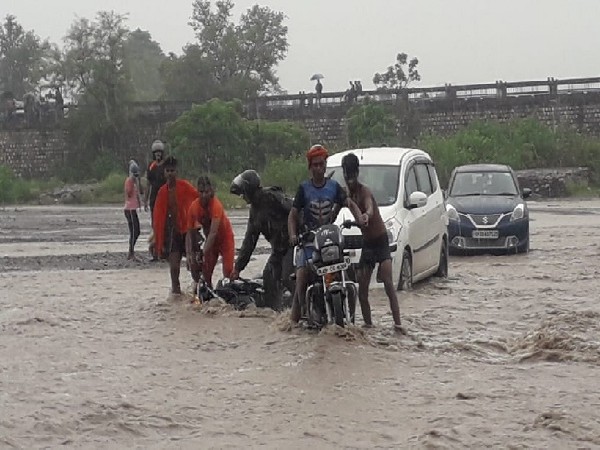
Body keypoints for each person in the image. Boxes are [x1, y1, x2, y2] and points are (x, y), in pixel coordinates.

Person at [287, 144, 366, 324]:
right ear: (310, 167)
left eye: (321, 164)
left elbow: (349, 203)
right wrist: (293, 235)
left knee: (348, 270)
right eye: (314, 165)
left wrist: (359, 218)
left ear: (325, 165)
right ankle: (296, 320)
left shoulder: (334, 186)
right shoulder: (303, 189)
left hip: (328, 240)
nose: (318, 168)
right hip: (308, 242)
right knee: (301, 277)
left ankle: (351, 309)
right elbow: (292, 215)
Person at [341, 152, 402, 332]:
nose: (350, 179)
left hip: (381, 241)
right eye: (347, 175)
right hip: (367, 243)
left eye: (352, 175)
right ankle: (368, 324)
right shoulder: (346, 196)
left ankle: (398, 324)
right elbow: (337, 207)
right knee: (362, 290)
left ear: (357, 173)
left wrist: (366, 215)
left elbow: (369, 208)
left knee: (388, 283)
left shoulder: (364, 191)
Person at [230, 169, 294, 310]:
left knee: (288, 276)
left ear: (249, 189)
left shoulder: (272, 196)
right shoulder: (255, 212)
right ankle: (276, 313)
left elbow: (293, 209)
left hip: (293, 245)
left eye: (243, 193)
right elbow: (249, 242)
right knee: (269, 277)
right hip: (279, 250)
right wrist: (238, 267)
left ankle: (301, 309)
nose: (242, 196)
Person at [152, 156, 198, 295]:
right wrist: (158, 239)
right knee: (174, 267)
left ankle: (198, 288)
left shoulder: (185, 186)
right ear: (164, 172)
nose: (170, 173)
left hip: (187, 231)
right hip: (172, 233)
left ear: (176, 172)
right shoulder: (162, 192)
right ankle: (176, 293)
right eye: (168, 170)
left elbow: (198, 199)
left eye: (172, 170)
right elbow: (158, 218)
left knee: (194, 264)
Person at [186, 176, 235, 291]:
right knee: (205, 274)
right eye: (201, 192)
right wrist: (190, 254)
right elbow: (189, 233)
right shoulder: (194, 207)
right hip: (211, 244)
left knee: (228, 272)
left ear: (211, 191)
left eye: (207, 192)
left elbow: (213, 232)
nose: (204, 195)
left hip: (225, 240)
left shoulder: (216, 205)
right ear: (197, 191)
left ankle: (230, 293)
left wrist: (203, 252)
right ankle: (207, 295)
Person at [124, 160, 143, 260]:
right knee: (135, 231)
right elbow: (129, 193)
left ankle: (131, 252)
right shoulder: (129, 181)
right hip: (129, 209)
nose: (135, 177)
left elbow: (141, 192)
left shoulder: (135, 182)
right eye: (134, 175)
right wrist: (133, 182)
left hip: (133, 209)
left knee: (135, 231)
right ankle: (131, 252)